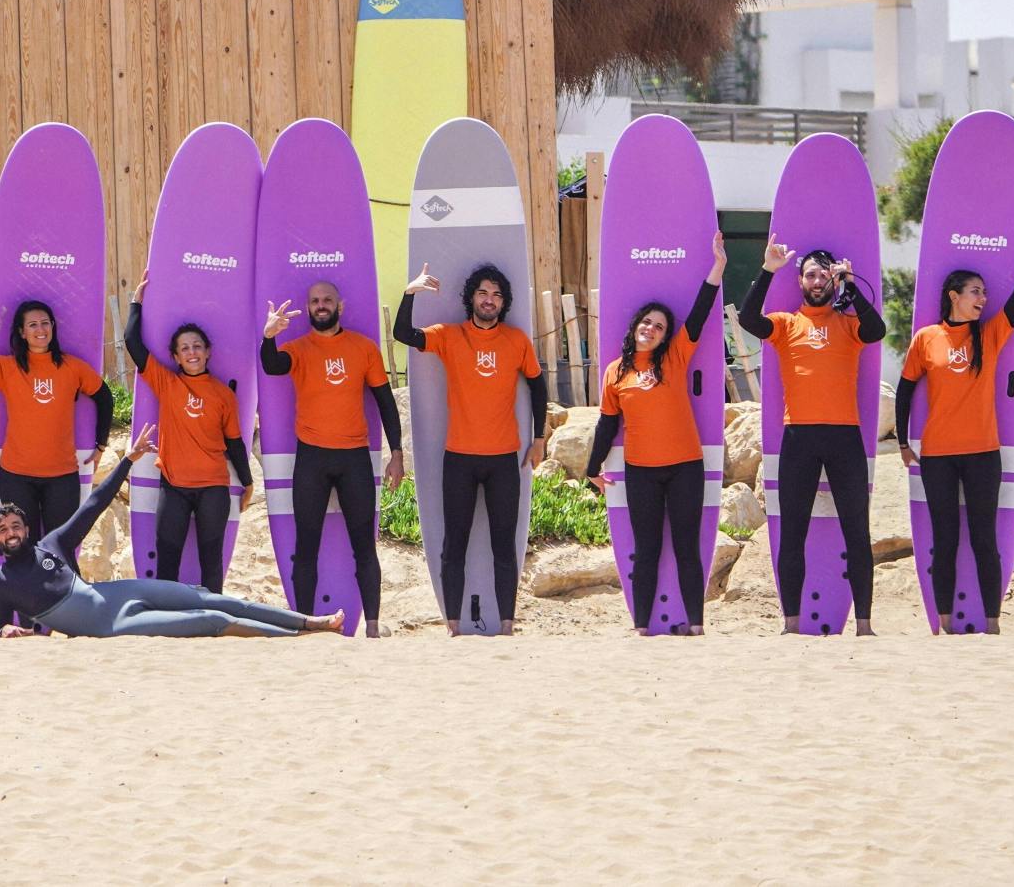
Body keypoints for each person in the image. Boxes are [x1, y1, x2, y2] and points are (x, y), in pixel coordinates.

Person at [0, 427, 344, 638]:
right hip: (112, 623)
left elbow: (93, 505)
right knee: (211, 620)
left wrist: (127, 460)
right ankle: (296, 636)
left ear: (27, 529)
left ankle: (309, 620)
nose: (11, 532)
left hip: (116, 592)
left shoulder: (52, 545)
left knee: (210, 598)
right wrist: (5, 632)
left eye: (15, 525)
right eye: (3, 530)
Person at [896, 219, 1014, 636]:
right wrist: (902, 441)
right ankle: (944, 625)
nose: (983, 299)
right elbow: (905, 389)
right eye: (975, 292)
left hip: (984, 454)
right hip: (938, 457)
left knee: (985, 540)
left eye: (984, 292)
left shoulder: (987, 336)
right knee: (946, 540)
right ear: (954, 296)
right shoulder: (926, 338)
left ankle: (992, 624)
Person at [737, 239, 886, 636]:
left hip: (845, 438)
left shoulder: (849, 325)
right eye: (810, 275)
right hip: (799, 437)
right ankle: (791, 623)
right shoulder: (787, 324)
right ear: (800, 281)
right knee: (793, 531)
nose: (817, 280)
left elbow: (878, 330)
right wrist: (767, 269)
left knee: (857, 529)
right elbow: (750, 320)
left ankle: (865, 625)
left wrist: (850, 284)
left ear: (832, 279)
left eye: (824, 274)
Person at [392, 263, 550, 636]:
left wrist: (539, 438)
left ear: (503, 302)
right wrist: (410, 292)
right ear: (471, 298)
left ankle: (508, 626)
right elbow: (402, 334)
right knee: (454, 545)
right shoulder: (449, 336)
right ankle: (453, 627)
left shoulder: (516, 341)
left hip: (503, 459)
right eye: (483, 293)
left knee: (504, 547)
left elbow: (538, 387)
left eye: (496, 294)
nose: (489, 300)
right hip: (459, 458)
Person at [585, 232, 728, 636]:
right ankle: (642, 628)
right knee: (645, 552)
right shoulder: (616, 371)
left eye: (659, 326)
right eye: (647, 322)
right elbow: (607, 423)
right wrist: (592, 466)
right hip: (641, 472)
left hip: (685, 467)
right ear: (636, 327)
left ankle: (697, 626)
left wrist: (717, 266)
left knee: (686, 548)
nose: (651, 328)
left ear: (667, 335)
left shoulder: (676, 356)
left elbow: (700, 312)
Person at [259, 281, 404, 636]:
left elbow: (385, 402)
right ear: (308, 309)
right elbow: (273, 366)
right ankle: (305, 624)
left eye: (327, 300)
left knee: (364, 547)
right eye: (314, 302)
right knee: (306, 546)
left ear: (340, 306)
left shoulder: (363, 348)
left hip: (354, 457)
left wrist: (396, 453)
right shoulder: (298, 348)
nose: (320, 306)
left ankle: (371, 625)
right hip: (312, 458)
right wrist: (268, 336)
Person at [0, 293, 115, 556]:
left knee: (60, 552)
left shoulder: (73, 368)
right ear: (22, 332)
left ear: (53, 327)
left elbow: (105, 398)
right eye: (33, 325)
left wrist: (101, 444)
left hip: (61, 478)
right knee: (23, 554)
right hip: (16, 476)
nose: (41, 329)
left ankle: (64, 599)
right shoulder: (8, 367)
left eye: (45, 323)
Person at [123, 271, 256, 593]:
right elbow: (132, 342)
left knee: (212, 562)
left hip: (213, 487)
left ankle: (212, 617)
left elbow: (235, 442)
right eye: (184, 348)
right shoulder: (166, 382)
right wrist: (135, 303)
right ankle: (170, 620)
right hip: (174, 487)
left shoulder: (223, 394)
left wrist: (248, 482)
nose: (192, 352)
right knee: (168, 559)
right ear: (175, 356)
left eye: (197, 346)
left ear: (208, 352)